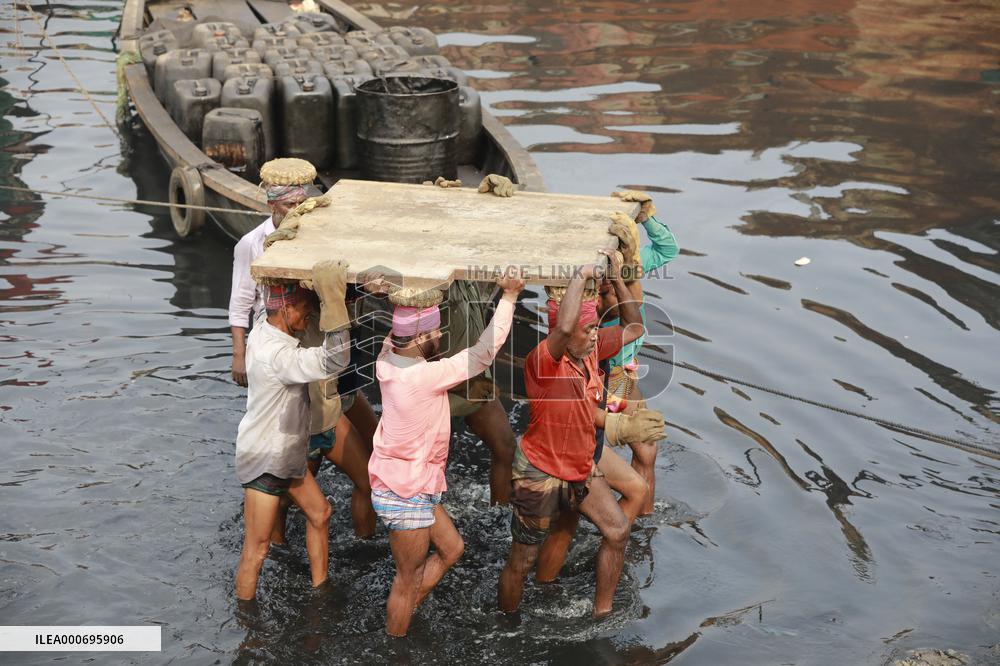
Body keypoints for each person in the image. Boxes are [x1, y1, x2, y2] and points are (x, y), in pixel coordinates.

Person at [498, 249, 662, 617]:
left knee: (617, 531)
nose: (594, 336)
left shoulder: (591, 351)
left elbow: (634, 328)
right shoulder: (543, 361)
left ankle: (601, 614)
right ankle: (506, 623)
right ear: (567, 333)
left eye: (594, 329)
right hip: (539, 473)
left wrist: (617, 279)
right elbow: (565, 328)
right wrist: (581, 274)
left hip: (580, 466)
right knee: (521, 561)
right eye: (588, 330)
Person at [228, 158, 377, 542]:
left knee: (351, 460)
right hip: (280, 348)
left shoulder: (319, 235)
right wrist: (239, 352)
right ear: (271, 205)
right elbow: (241, 301)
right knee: (291, 468)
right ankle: (276, 540)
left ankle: (362, 544)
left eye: (299, 204)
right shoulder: (253, 244)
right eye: (286, 206)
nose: (294, 212)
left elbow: (339, 287)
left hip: (317, 344)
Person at [370, 273, 524, 637]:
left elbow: (400, 328)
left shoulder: (387, 356)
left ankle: (406, 605)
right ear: (422, 337)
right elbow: (483, 352)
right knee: (405, 580)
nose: (442, 339)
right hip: (405, 492)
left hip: (407, 482)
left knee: (453, 549)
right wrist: (510, 297)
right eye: (436, 334)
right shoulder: (425, 376)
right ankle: (396, 645)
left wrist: (394, 293)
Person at [234, 260, 352, 600]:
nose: (309, 318)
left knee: (321, 513)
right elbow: (335, 361)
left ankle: (320, 590)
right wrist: (334, 302)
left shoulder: (263, 326)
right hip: (266, 458)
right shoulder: (279, 357)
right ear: (285, 309)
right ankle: (248, 632)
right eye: (304, 310)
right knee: (256, 551)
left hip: (286, 453)